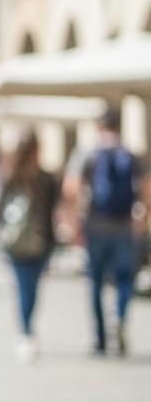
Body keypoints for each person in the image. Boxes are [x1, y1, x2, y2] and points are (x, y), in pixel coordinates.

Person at [63, 109, 148, 356]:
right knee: (124, 278)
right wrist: (141, 216)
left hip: (96, 224)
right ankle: (119, 317)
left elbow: (71, 188)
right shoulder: (130, 154)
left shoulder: (88, 153)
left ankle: (100, 337)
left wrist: (76, 216)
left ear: (99, 127)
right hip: (124, 224)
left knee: (97, 281)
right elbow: (146, 188)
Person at [0, 131, 59, 363]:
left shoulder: (8, 175)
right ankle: (28, 330)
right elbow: (57, 212)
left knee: (22, 286)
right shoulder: (46, 178)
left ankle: (25, 331)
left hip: (15, 241)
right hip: (42, 241)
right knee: (33, 287)